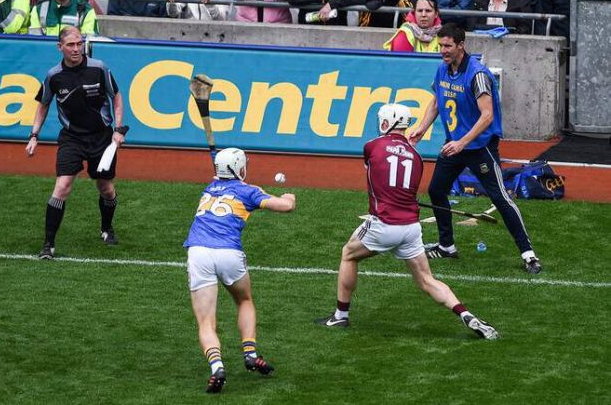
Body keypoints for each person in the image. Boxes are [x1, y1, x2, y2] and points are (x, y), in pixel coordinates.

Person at [314, 104, 499, 341]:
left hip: (383, 225)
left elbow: (376, 176)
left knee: (348, 254)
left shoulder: (371, 146)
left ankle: (340, 315)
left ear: (386, 123)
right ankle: (466, 314)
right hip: (411, 228)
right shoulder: (416, 156)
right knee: (426, 280)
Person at [408, 23, 542, 274]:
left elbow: (487, 116)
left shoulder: (478, 75)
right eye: (440, 46)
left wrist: (462, 142)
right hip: (454, 146)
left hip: (479, 147)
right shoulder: (442, 69)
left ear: (461, 45)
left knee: (500, 198)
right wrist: (422, 127)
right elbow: (436, 102)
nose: (443, 51)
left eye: (447, 46)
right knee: (437, 190)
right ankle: (446, 245)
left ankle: (528, 253)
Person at [184, 147, 296, 393]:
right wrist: (289, 197)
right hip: (229, 253)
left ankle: (217, 367)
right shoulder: (248, 191)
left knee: (206, 322)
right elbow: (284, 207)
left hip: (198, 252)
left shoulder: (208, 189)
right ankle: (250, 353)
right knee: (244, 300)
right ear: (240, 168)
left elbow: (224, 183)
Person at [25, 27, 127, 260]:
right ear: (59, 47)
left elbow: (117, 96)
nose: (76, 49)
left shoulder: (99, 68)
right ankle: (48, 245)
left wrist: (118, 129)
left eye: (79, 44)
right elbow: (43, 104)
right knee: (62, 187)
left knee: (106, 189)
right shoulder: (54, 76)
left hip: (101, 137)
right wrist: (34, 135)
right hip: (71, 137)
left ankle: (106, 228)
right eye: (70, 45)